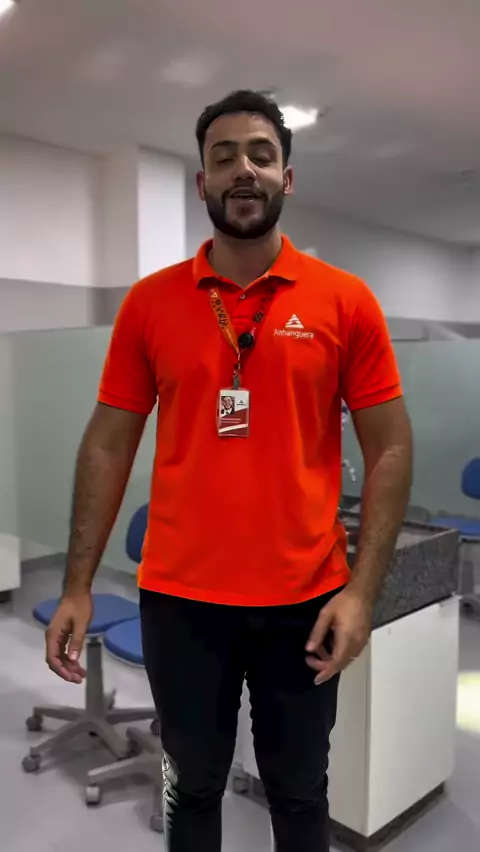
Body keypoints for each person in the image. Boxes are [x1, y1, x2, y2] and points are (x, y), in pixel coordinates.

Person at [45, 90, 413, 852]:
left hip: (305, 602)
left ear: (287, 178)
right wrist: (78, 583)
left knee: (299, 795)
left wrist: (362, 593)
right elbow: (108, 444)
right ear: (203, 183)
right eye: (223, 157)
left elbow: (392, 448)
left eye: (261, 155)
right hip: (182, 604)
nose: (243, 169)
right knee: (193, 790)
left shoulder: (346, 302)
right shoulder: (150, 305)